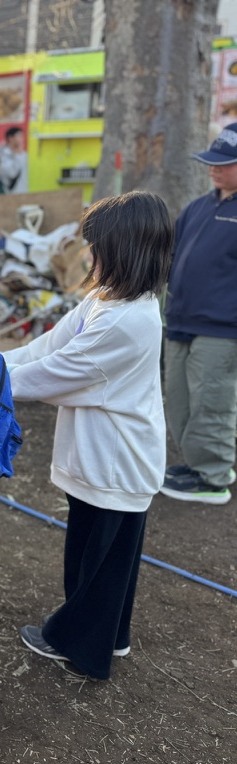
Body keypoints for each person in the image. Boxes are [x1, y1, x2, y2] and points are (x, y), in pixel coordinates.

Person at [4, 191, 172, 679]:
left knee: (97, 564)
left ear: (124, 249)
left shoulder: (128, 320)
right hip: (103, 456)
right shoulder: (108, 299)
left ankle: (79, 645)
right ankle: (111, 635)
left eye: (96, 246)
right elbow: (46, 347)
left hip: (116, 461)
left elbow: (53, 374)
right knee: (105, 558)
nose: (89, 255)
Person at [159, 122, 237, 506]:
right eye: (211, 161)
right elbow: (170, 257)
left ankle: (213, 475)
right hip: (180, 321)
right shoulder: (198, 207)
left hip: (223, 329)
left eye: (225, 162)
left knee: (212, 400)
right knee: (179, 400)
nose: (213, 168)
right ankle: (197, 464)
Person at [0, 126, 28, 193]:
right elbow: (12, 173)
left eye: (22, 136)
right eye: (19, 136)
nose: (21, 139)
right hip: (8, 193)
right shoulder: (2, 154)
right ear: (10, 138)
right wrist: (17, 155)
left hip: (24, 191)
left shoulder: (24, 154)